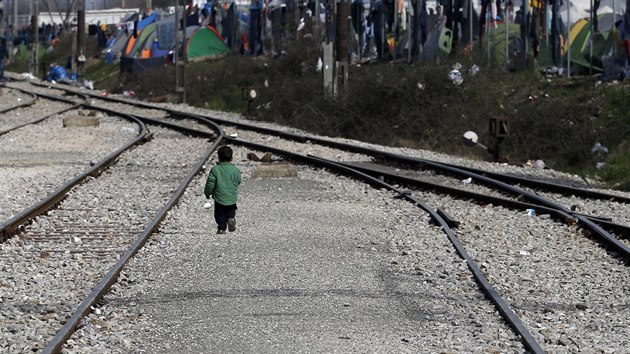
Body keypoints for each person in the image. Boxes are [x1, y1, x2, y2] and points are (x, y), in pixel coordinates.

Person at [204, 145, 242, 234]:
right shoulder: (235, 170)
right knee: (231, 209)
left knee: (219, 213)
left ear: (219, 157)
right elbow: (238, 180)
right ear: (231, 158)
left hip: (219, 197)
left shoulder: (215, 169)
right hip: (231, 197)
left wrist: (207, 193)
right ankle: (231, 218)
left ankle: (221, 228)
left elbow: (210, 183)